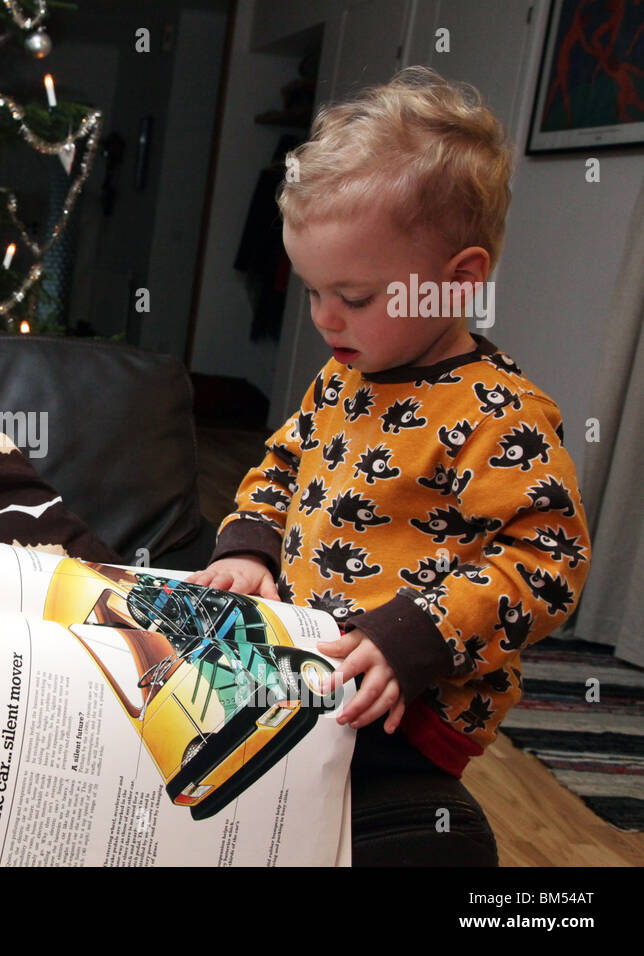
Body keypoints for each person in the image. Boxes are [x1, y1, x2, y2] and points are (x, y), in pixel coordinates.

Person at [189, 67, 591, 851]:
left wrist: (413, 639)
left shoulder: (497, 414)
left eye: (357, 297)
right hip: (303, 653)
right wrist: (249, 545)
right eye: (311, 292)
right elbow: (280, 467)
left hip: (403, 701)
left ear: (457, 282)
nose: (325, 318)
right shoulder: (345, 375)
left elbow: (550, 560)